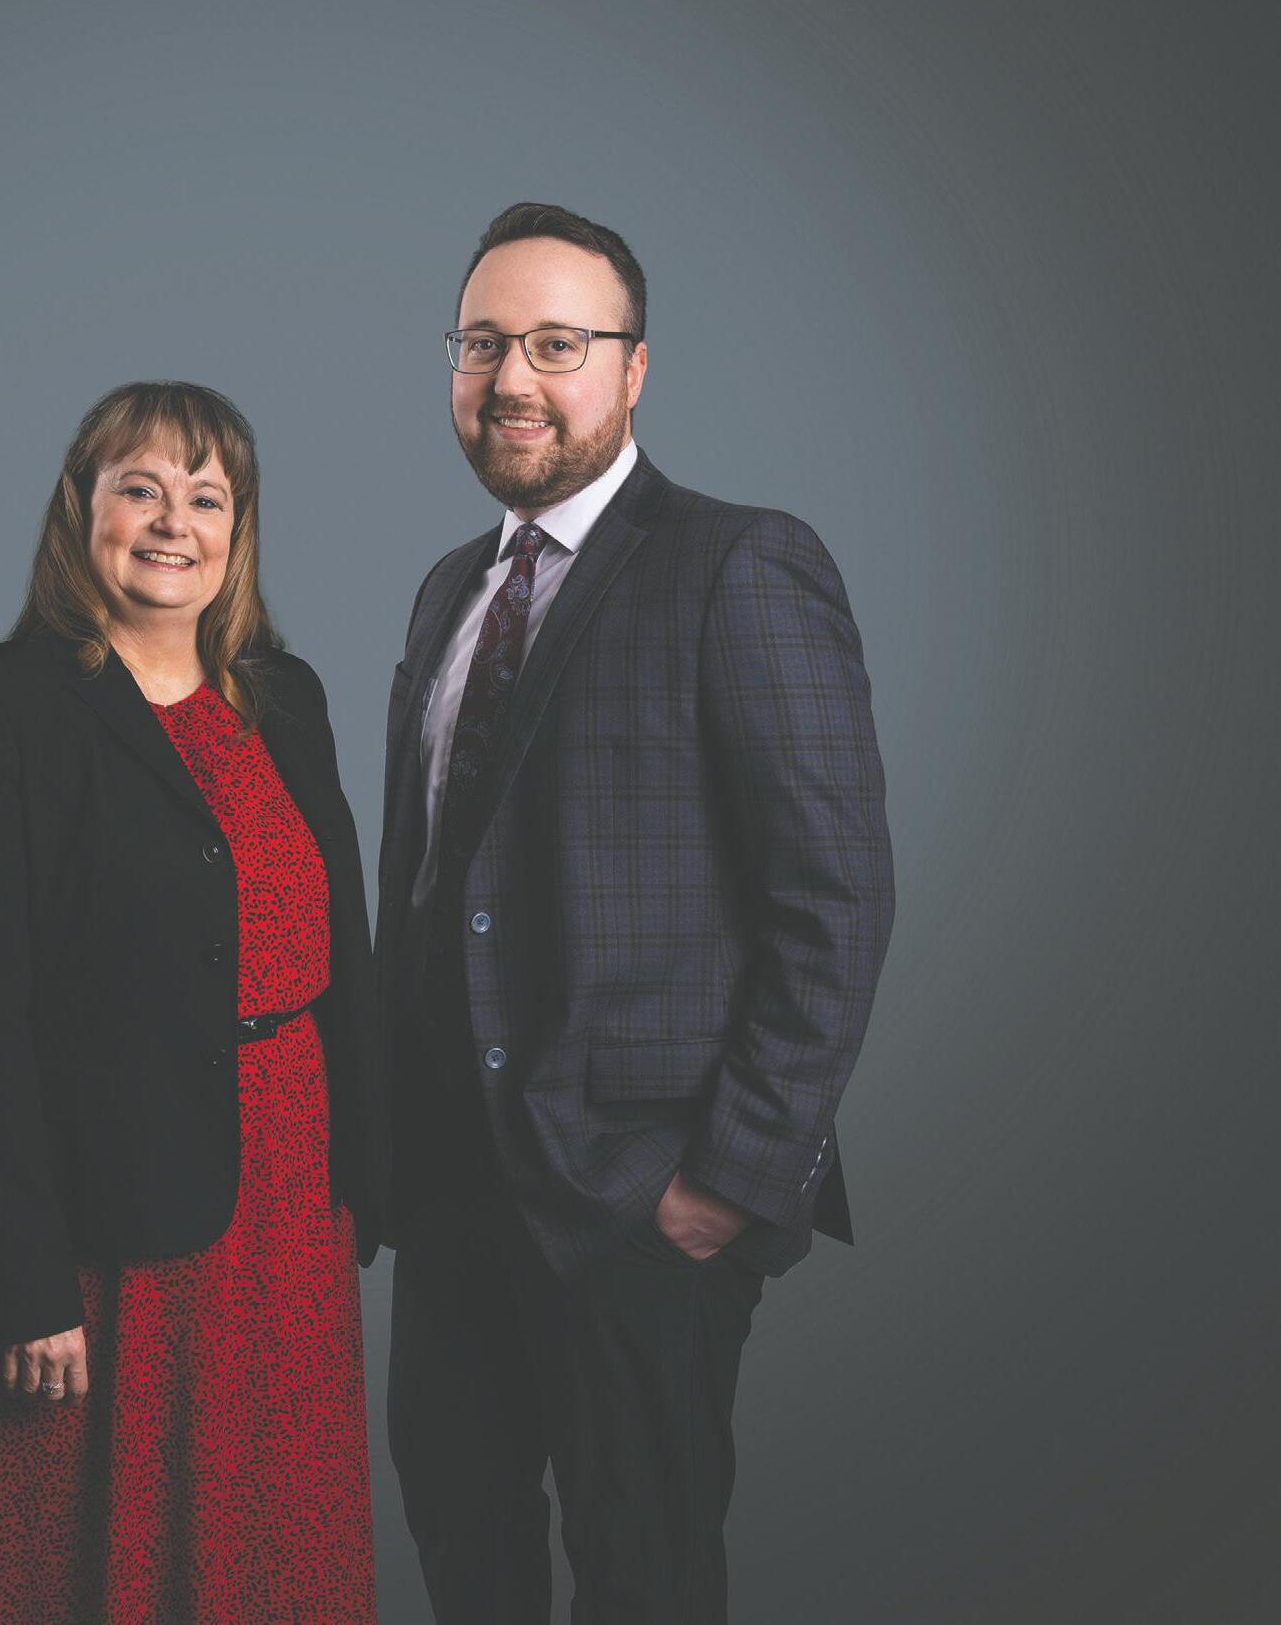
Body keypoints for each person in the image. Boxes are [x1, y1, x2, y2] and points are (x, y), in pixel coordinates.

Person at [377, 202, 894, 1623]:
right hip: (450, 1194)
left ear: (634, 367)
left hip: (639, 1200)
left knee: (644, 1580)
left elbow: (834, 896)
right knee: (464, 1561)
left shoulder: (741, 564)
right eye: (482, 343)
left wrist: (728, 1178)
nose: (512, 379)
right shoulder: (449, 590)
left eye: (558, 344)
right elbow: (430, 890)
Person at [0, 382, 385, 1623]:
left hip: (287, 1210)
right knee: (100, 1559)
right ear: (82, 511)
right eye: (141, 489)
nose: (176, 522)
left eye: (207, 497)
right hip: (98, 1226)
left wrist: (363, 1171)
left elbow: (341, 944)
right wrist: (21, 1278)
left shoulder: (284, 696)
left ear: (239, 530)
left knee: (274, 1545)